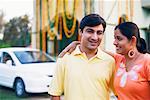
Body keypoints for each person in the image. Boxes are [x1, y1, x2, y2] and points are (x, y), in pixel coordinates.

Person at [59, 22, 150, 100]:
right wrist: (77, 43)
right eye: (114, 38)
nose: (114, 42)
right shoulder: (119, 60)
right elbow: (96, 49)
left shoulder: (147, 61)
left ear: (132, 40)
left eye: (119, 38)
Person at [48, 14, 116, 100]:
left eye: (99, 33)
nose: (95, 37)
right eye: (90, 31)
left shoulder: (110, 61)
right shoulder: (65, 59)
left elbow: (120, 93)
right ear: (80, 32)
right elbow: (55, 94)